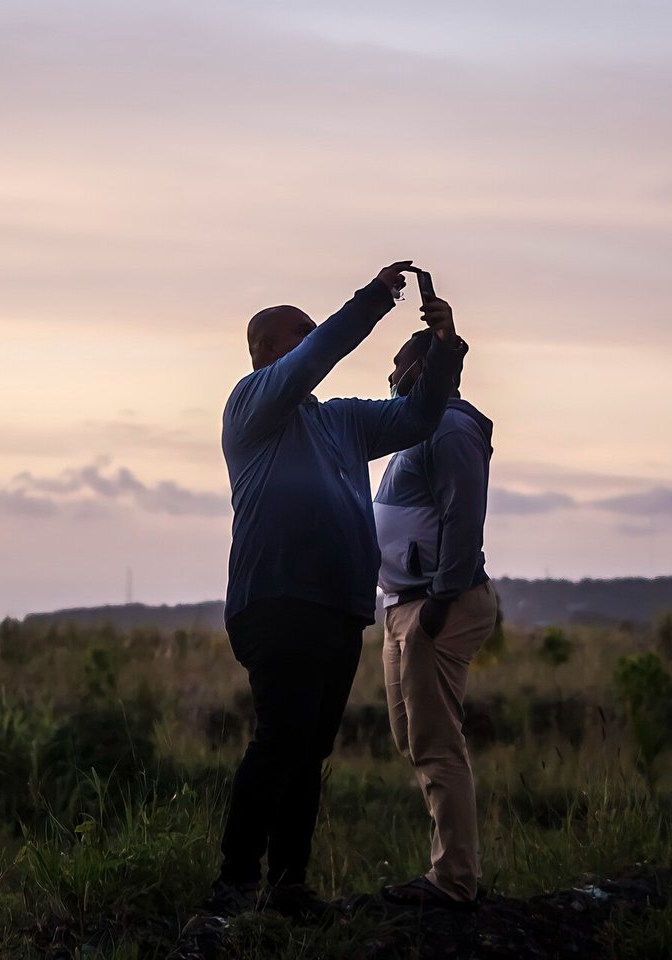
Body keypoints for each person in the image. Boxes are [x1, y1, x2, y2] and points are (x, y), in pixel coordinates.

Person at [207, 262, 467, 919]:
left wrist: (444, 350)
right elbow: (324, 350)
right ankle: (234, 883)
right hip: (277, 600)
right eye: (302, 331)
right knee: (281, 738)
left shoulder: (342, 421)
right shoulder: (252, 404)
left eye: (313, 328)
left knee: (310, 749)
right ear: (267, 351)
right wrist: (376, 298)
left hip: (338, 609)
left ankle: (287, 887)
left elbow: (420, 415)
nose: (315, 335)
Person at [373, 327, 497, 910]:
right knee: (414, 739)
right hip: (405, 605)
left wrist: (440, 604)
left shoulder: (448, 428)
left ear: (424, 368)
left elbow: (462, 515)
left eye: (399, 365)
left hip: (434, 605)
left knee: (437, 746)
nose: (391, 376)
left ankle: (453, 881)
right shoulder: (416, 431)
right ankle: (452, 869)